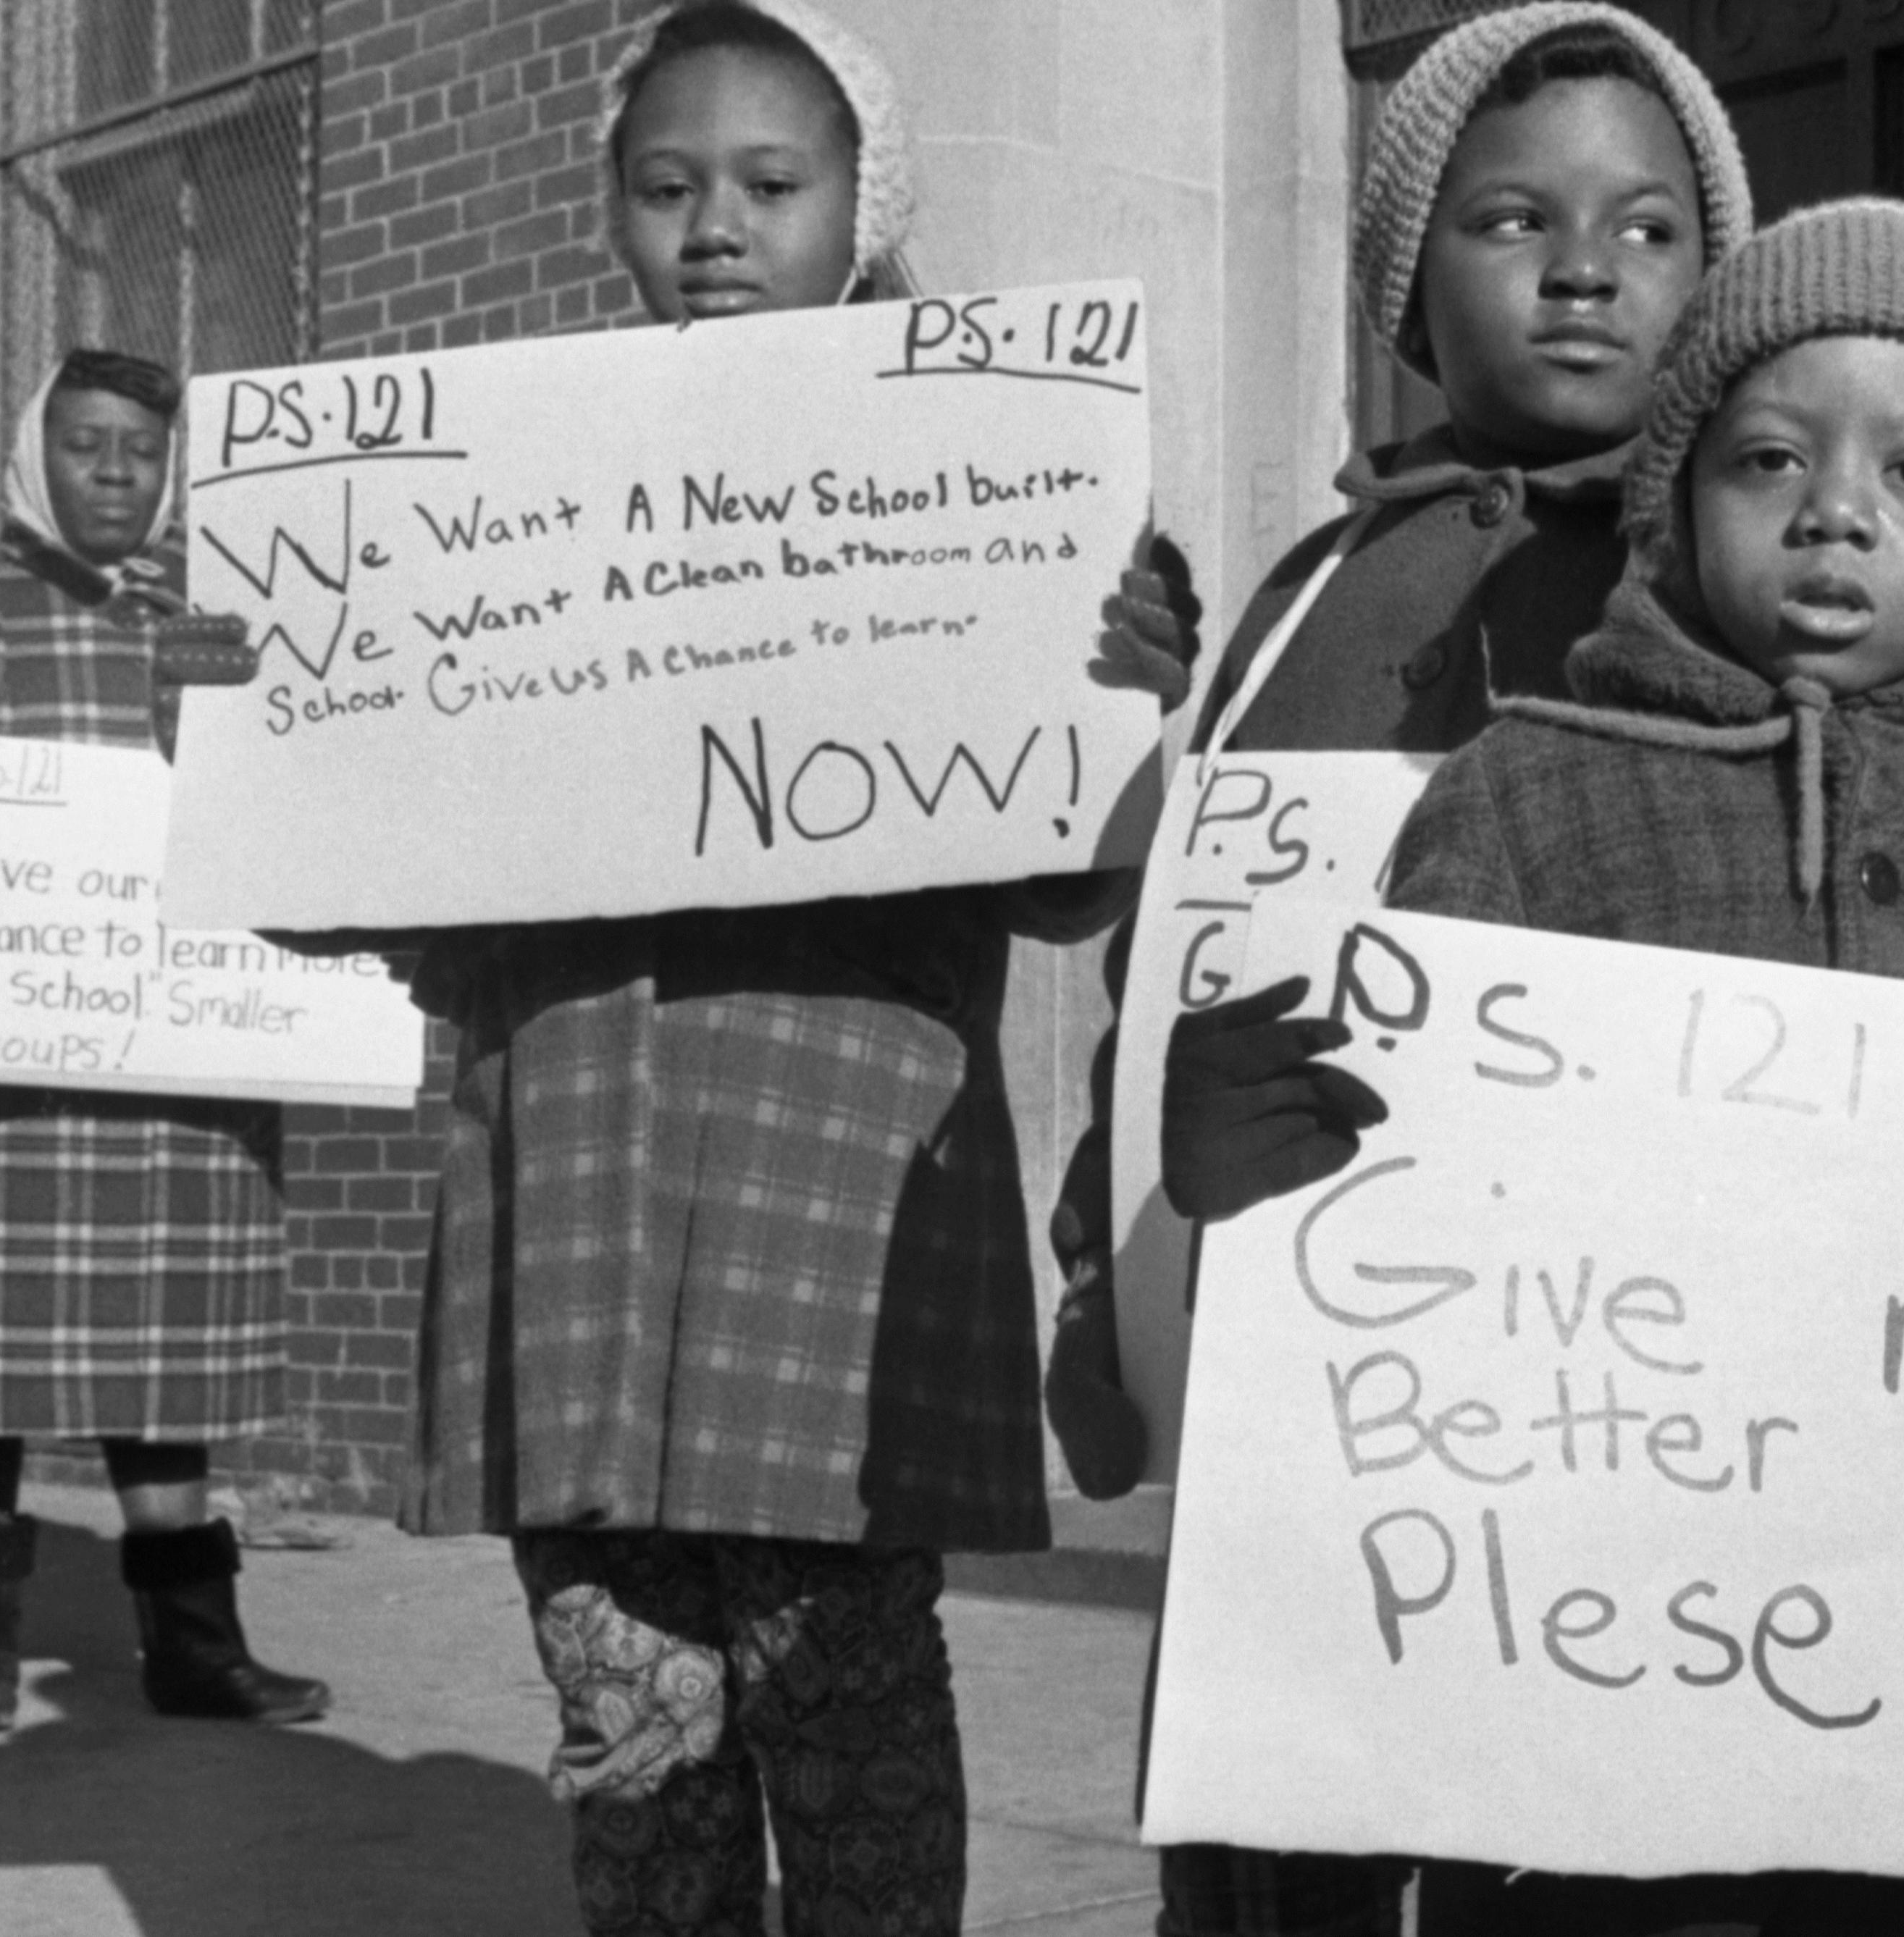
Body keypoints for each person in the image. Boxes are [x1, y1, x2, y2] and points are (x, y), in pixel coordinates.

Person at [386, 6, 1183, 1934]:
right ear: (613, 213)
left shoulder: (992, 490)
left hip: (838, 1227)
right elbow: (379, 900)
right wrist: (266, 731)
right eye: (666, 187)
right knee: (624, 1694)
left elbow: (1067, 897)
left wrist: (1121, 700)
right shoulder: (489, 504)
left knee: (849, 1696)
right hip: (574, 1197)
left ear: (862, 210)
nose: (715, 230)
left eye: (769, 184)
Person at [1372, 195, 1904, 1934]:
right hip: (1572, 1706)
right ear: (1677, 497)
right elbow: (1395, 1241)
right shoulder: (1516, 798)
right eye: (1768, 459)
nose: (1836, 509)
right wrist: (1281, 1146)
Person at [1034, 8, 1753, 1933]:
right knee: (1292, 1870)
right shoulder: (1302, 598)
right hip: (1310, 1409)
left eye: (1653, 228)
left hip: (1638, 1446)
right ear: (1409, 289)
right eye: (1515, 217)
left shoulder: (1745, 587)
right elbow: (1183, 971)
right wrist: (1113, 1276)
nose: (1587, 264)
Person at [0, 347, 330, 1734]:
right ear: (33, 456)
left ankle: (194, 1645)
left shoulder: (204, 625)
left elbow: (279, 775)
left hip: (165, 1074)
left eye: (142, 453)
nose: (117, 473)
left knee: (159, 1361)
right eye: (89, 445)